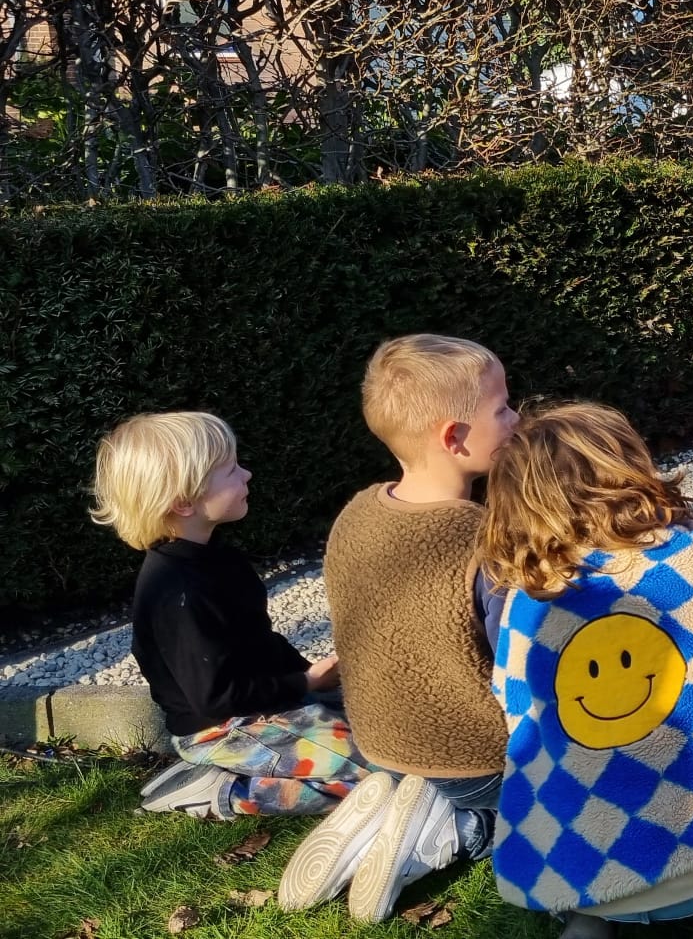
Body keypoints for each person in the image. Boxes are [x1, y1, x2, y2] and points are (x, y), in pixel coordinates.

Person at [481, 402, 693, 939]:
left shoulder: (528, 603)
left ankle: (588, 924)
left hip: (585, 868)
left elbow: (515, 710)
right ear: (632, 467)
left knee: (561, 768)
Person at [279, 335, 517, 919]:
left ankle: (385, 813)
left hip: (380, 743)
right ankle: (457, 830)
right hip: (477, 763)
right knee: (538, 810)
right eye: (503, 409)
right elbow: (518, 661)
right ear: (454, 438)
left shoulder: (356, 513)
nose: (516, 419)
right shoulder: (485, 542)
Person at [92, 412, 365, 821]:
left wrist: (308, 676)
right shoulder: (177, 592)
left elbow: (258, 640)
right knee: (374, 773)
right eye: (231, 470)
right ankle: (222, 790)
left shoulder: (219, 559)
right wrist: (305, 682)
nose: (247, 474)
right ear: (184, 502)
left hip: (267, 701)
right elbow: (216, 697)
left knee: (388, 732)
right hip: (220, 728)